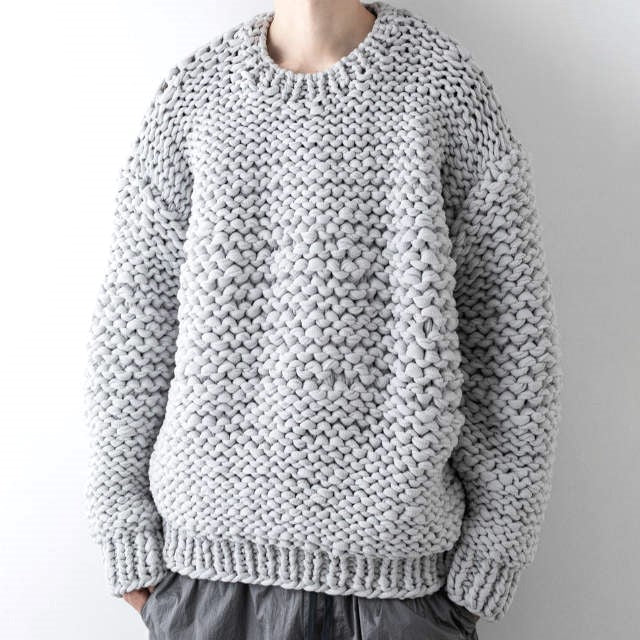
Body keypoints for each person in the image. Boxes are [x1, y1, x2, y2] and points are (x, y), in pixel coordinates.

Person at [83, 1, 563, 638]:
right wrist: (124, 531)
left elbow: (509, 342)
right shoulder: (195, 100)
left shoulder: (445, 92)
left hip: (399, 591)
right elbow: (131, 329)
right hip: (205, 583)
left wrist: (493, 555)